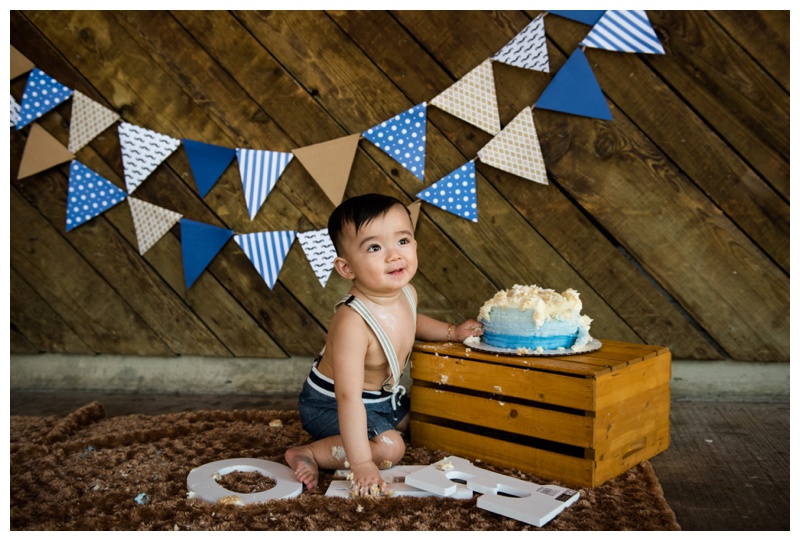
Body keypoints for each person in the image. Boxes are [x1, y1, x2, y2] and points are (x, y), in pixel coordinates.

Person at [284, 193, 483, 496]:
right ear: (347, 268)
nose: (394, 255)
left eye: (402, 241)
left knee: (429, 419)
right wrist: (362, 462)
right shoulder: (352, 321)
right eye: (375, 247)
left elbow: (411, 321)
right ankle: (311, 452)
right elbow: (348, 398)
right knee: (392, 448)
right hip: (330, 405)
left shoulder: (407, 293)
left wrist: (451, 331)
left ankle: (377, 432)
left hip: (381, 398)